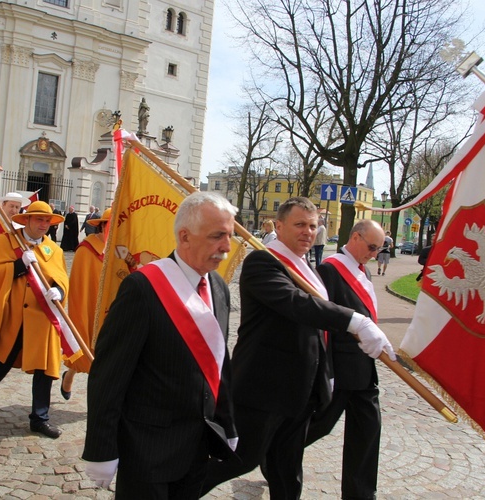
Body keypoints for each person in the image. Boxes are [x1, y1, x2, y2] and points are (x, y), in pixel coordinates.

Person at [201, 197, 395, 499]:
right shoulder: (263, 262)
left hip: (299, 393)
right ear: (279, 226)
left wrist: (326, 374)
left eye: (313, 226)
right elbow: (297, 305)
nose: (308, 232)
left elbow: (317, 330)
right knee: (239, 461)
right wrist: (355, 321)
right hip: (263, 390)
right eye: (300, 225)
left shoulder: (308, 269)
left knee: (287, 471)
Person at [82, 192, 239, 498]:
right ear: (185, 237)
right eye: (217, 236)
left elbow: (219, 363)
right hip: (147, 450)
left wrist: (227, 423)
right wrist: (101, 449)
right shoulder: (143, 288)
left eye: (229, 236)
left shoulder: (218, 286)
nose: (227, 247)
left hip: (197, 446)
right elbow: (108, 374)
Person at [0, 201, 68, 439]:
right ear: (27, 221)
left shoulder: (54, 250)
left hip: (42, 317)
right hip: (13, 314)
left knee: (45, 368)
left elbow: (62, 277)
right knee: (2, 362)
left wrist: (59, 291)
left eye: (47, 221)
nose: (44, 225)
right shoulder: (7, 242)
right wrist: (17, 265)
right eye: (39, 220)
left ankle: (40, 418)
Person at [305, 220, 387, 499]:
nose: (374, 253)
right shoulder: (330, 269)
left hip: (363, 368)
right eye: (372, 246)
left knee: (368, 429)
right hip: (339, 367)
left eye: (380, 248)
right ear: (355, 237)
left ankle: (361, 494)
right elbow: (322, 316)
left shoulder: (364, 271)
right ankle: (275, 452)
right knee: (319, 425)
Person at [60, 208, 111, 399]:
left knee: (107, 359)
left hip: (113, 310)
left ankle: (101, 402)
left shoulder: (121, 249)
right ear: (102, 226)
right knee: (86, 354)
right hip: (92, 309)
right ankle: (69, 376)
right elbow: (79, 288)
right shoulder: (87, 249)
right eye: (110, 225)